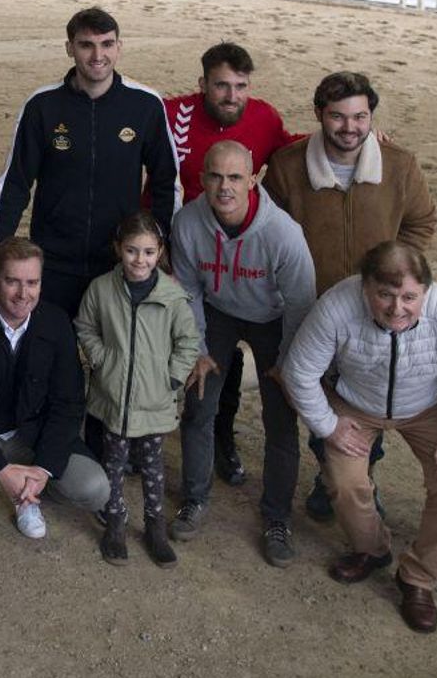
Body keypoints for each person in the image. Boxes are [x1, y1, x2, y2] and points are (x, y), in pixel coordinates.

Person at [281, 242, 437, 633]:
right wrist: (329, 424)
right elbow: (299, 372)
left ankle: (419, 578)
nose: (397, 308)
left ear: (425, 292)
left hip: (425, 406)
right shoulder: (337, 305)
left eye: (409, 297)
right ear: (365, 287)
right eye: (385, 294)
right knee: (345, 482)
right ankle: (372, 548)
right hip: (354, 404)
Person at [263, 70, 437, 521]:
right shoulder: (286, 166)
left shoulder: (400, 165)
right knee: (320, 397)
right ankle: (331, 474)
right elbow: (269, 231)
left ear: (371, 117)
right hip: (312, 308)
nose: (350, 127)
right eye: (338, 117)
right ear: (319, 115)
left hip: (377, 312)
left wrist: (395, 278)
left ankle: (357, 477)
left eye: (360, 117)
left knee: (369, 397)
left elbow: (421, 221)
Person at [147, 41, 300, 487]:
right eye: (221, 86)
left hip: (243, 256)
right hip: (187, 254)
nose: (231, 96)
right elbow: (150, 174)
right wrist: (158, 246)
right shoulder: (173, 114)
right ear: (203, 85)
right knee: (196, 355)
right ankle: (149, 438)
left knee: (230, 364)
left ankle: (225, 441)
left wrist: (367, 138)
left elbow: (293, 150)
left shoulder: (265, 117)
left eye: (240, 86)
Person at [168, 141, 316, 565]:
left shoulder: (282, 233)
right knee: (198, 402)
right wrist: (197, 347)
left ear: (253, 180)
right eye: (215, 176)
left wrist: (287, 363)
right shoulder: (188, 222)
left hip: (273, 318)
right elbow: (189, 289)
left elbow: (301, 303)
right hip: (217, 312)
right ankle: (195, 499)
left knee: (281, 416)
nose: (224, 187)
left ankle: (277, 518)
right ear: (201, 179)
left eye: (235, 177)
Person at [0, 7, 178, 318]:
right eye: (87, 45)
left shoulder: (145, 105)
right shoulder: (42, 106)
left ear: (119, 48)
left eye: (107, 44)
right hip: (54, 260)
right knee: (52, 353)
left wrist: (162, 247)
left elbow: (167, 181)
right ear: (70, 48)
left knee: (113, 357)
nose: (98, 55)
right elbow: (15, 184)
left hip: (120, 260)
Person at [0, 236, 108, 539]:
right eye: (12, 281)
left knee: (95, 489)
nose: (23, 294)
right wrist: (0, 470)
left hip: (30, 434)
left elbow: (68, 403)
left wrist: (42, 470)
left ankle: (30, 494)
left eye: (32, 283)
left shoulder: (56, 323)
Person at [76, 212, 199, 567]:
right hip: (112, 398)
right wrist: (102, 361)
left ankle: (155, 527)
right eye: (131, 251)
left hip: (154, 401)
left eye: (147, 252)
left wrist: (171, 378)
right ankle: (114, 522)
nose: (139, 260)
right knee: (112, 463)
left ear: (159, 252)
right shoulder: (102, 289)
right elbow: (85, 326)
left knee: (152, 466)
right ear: (118, 249)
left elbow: (188, 341)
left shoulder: (173, 297)